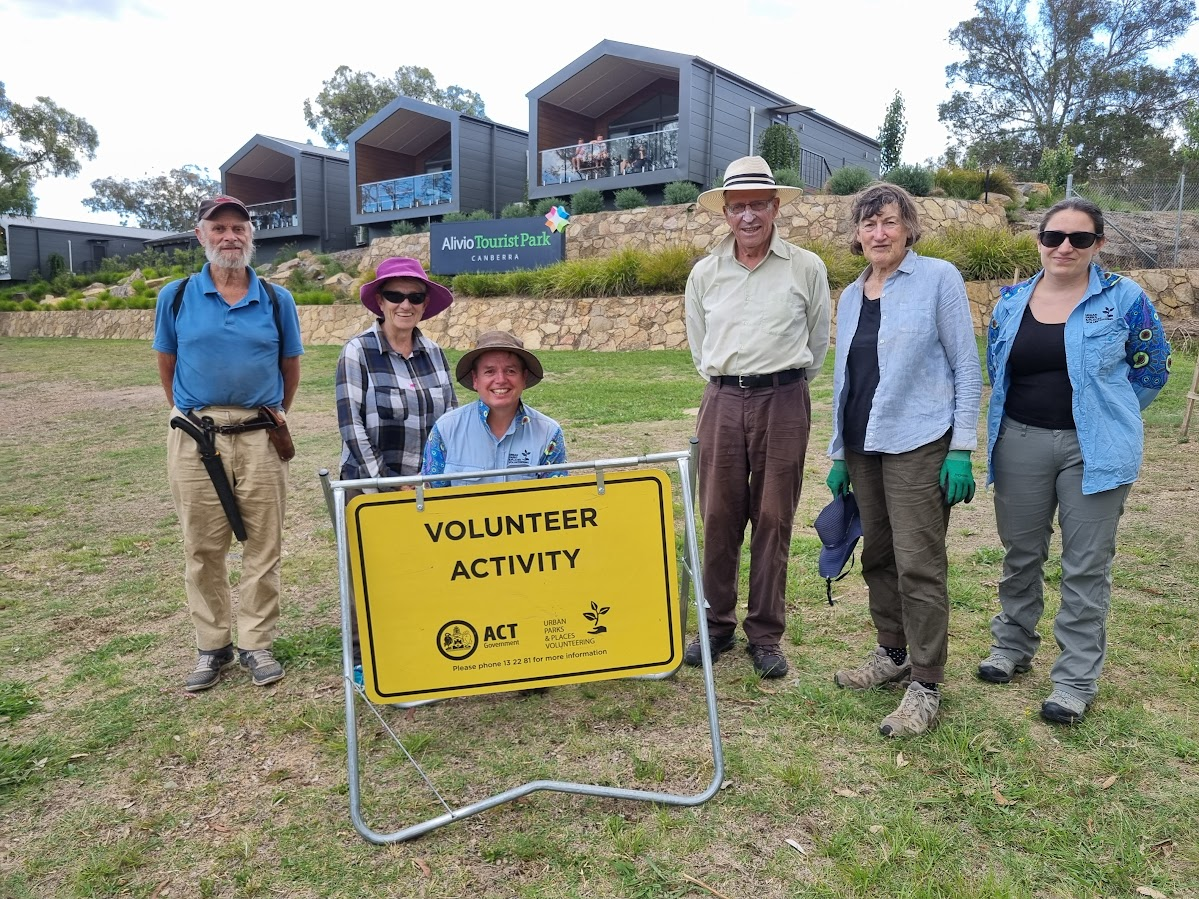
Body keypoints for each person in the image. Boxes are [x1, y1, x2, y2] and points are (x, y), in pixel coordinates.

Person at [978, 197, 1171, 725]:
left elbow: (1153, 367)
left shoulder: (1124, 298)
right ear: (1039, 241)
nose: (1065, 247)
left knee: (1085, 567)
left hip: (1096, 450)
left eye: (1079, 239)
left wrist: (1111, 414)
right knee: (1020, 554)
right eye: (1054, 237)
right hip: (1019, 440)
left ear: (1098, 245)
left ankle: (1074, 680)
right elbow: (998, 366)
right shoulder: (1012, 301)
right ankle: (1011, 647)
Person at [825, 182, 982, 737]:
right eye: (868, 225)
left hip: (919, 441)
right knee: (878, 557)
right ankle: (892, 653)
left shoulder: (938, 279)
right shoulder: (848, 295)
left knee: (919, 562)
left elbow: (966, 365)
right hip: (863, 443)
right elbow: (845, 379)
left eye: (889, 222)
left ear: (909, 227)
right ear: (856, 234)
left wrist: (962, 446)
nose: (879, 233)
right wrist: (839, 451)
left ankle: (927, 680)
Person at [683, 155, 831, 678]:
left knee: (774, 517)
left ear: (775, 208)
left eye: (758, 205)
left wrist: (782, 386)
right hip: (722, 398)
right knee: (719, 515)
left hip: (785, 397)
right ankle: (716, 625)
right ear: (725, 213)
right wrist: (730, 382)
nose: (749, 216)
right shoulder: (705, 273)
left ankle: (765, 634)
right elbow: (700, 343)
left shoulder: (806, 267)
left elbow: (817, 340)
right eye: (738, 206)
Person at [153, 195, 304, 691]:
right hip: (197, 435)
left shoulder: (277, 299)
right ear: (201, 235)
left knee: (265, 544)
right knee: (202, 547)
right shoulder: (175, 297)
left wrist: (276, 412)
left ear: (251, 236)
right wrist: (191, 413)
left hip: (261, 434)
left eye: (239, 228)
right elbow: (168, 364)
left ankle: (255, 643)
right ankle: (211, 646)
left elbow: (290, 366)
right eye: (218, 228)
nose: (230, 236)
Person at [336, 257, 457, 683]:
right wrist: (386, 488)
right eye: (395, 295)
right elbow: (351, 425)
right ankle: (361, 655)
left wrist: (443, 480)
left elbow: (451, 423)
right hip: (372, 486)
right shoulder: (358, 352)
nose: (405, 304)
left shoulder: (436, 354)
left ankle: (421, 642)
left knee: (426, 570)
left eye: (415, 296)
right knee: (368, 573)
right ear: (380, 301)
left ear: (425, 303)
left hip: (428, 485)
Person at [422, 331, 567, 487]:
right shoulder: (445, 430)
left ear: (524, 378)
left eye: (510, 371)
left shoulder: (549, 433)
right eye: (489, 371)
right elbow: (430, 502)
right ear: (475, 379)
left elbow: (556, 500)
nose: (500, 380)